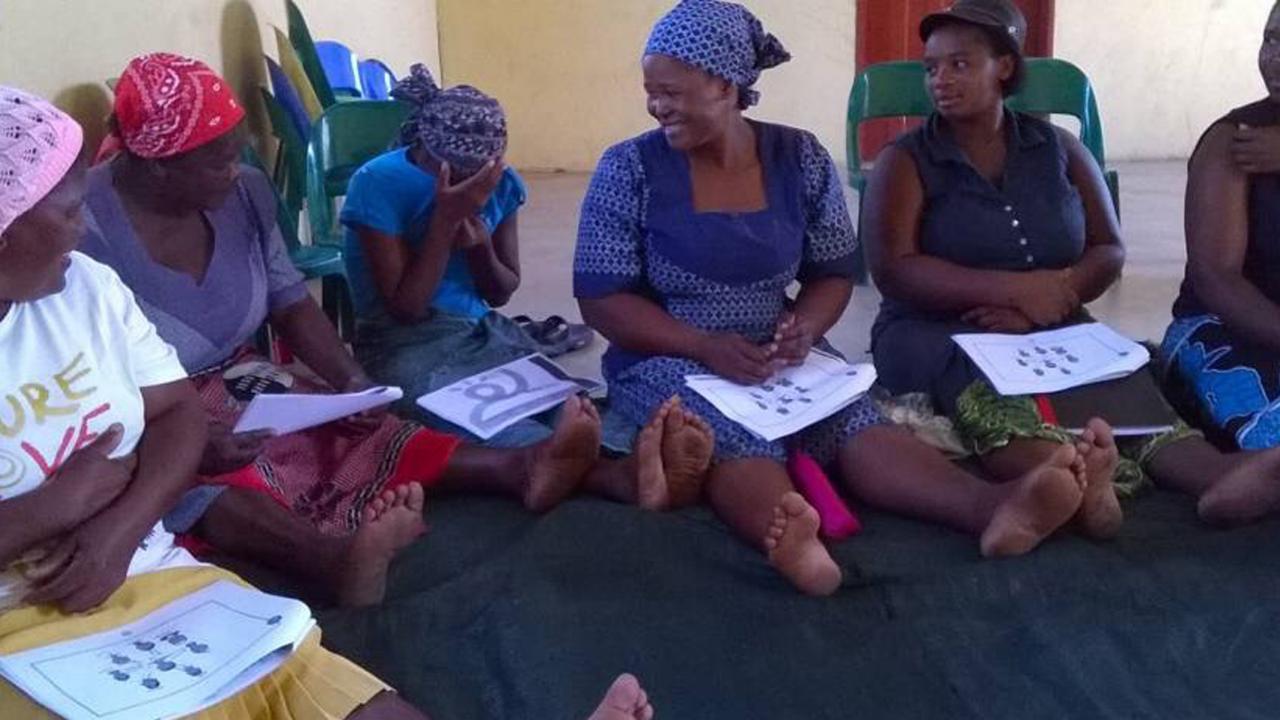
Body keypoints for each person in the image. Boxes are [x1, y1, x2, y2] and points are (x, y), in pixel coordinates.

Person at [79, 53, 699, 609]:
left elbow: (292, 302)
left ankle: (529, 469)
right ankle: (329, 561)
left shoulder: (244, 195)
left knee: (360, 430)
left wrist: (352, 381)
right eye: (218, 160)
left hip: (246, 374)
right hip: (152, 404)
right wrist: (191, 431)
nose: (236, 170)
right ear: (159, 166)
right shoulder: (83, 231)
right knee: (217, 476)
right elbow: (76, 372)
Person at [574, 0, 1102, 597]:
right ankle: (794, 539)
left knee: (853, 420)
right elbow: (601, 299)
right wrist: (702, 345)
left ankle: (990, 508)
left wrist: (803, 328)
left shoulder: (798, 159)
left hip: (779, 355)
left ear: (725, 84)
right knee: (721, 431)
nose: (655, 106)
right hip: (665, 354)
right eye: (650, 91)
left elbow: (833, 271)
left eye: (670, 91)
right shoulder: (629, 169)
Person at [0, 82, 433, 720]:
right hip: (18, 628)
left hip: (149, 575)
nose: (82, 226)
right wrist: (55, 505)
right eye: (66, 212)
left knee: (334, 693)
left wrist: (120, 528)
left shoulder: (83, 289)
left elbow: (175, 412)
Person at [864, 0, 1280, 532]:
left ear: (1005, 67)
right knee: (990, 388)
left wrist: (1053, 298)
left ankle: (1218, 477)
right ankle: (1079, 485)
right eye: (931, 68)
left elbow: (1109, 249)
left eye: (959, 65)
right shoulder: (907, 160)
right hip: (937, 330)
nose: (940, 80)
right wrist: (1019, 292)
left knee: (1120, 382)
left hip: (1051, 320)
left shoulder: (1057, 148)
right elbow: (895, 270)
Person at [342, 63, 714, 509]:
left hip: (485, 332)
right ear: (426, 149)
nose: (469, 181)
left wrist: (479, 249)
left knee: (574, 411)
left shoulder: (501, 184)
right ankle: (613, 476)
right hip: (404, 344)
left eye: (481, 169)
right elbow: (406, 308)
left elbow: (501, 291)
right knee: (476, 421)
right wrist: (443, 223)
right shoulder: (379, 183)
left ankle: (637, 461)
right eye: (454, 169)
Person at [1159, 2, 1280, 523]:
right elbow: (1216, 278)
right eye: (1271, 39)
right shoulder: (1235, 141)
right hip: (1226, 327)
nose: (1275, 58)